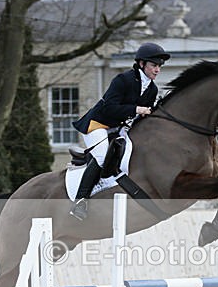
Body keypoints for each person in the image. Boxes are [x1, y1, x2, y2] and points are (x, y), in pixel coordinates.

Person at [69, 42, 170, 220]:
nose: (157, 70)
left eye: (159, 66)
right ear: (141, 64)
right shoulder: (123, 80)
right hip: (97, 124)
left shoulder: (152, 89)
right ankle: (80, 202)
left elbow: (141, 116)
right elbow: (110, 108)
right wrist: (137, 109)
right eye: (154, 65)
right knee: (102, 157)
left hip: (119, 129)